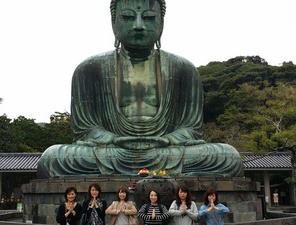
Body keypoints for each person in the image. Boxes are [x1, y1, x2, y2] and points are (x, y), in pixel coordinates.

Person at [36, 0, 244, 179]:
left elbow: (191, 129)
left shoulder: (184, 69)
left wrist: (168, 140)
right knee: (52, 158)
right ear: (113, 22)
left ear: (162, 23)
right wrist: (114, 139)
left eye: (149, 17)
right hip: (113, 151)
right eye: (127, 17)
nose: (138, 26)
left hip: (166, 150)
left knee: (228, 157)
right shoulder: (89, 69)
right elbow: (86, 130)